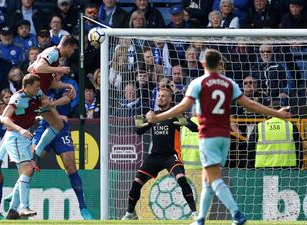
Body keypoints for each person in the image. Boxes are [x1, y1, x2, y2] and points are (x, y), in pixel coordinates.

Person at [146, 49, 291, 225]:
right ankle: (200, 219)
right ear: (220, 64)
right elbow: (251, 104)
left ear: (203, 64)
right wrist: (277, 113)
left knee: (214, 178)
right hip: (224, 137)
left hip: (209, 136)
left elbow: (182, 108)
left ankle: (237, 214)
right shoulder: (229, 83)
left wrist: (157, 117)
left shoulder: (198, 83)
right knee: (207, 179)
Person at [0, 82, 93, 220]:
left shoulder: (61, 80)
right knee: (30, 165)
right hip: (42, 127)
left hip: (60, 129)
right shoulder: (38, 79)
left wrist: (55, 105)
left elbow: (67, 98)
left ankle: (83, 208)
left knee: (70, 167)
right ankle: (17, 200)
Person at [122, 87, 198, 220]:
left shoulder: (175, 114)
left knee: (182, 180)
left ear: (170, 98)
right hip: (155, 157)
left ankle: (195, 214)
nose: (160, 98)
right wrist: (140, 123)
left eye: (163, 96)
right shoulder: (153, 115)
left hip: (171, 156)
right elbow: (138, 131)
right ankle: (129, 214)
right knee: (136, 182)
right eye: (159, 96)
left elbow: (195, 128)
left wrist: (184, 121)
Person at [27, 35, 77, 168]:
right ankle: (35, 153)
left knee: (58, 123)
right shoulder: (53, 52)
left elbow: (45, 79)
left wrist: (67, 85)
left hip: (37, 95)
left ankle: (35, 154)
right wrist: (59, 69)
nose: (72, 53)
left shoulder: (53, 56)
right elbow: (38, 68)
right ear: (68, 46)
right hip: (34, 95)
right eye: (73, 49)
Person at [1, 74, 44, 219]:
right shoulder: (17, 98)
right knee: (28, 169)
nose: (39, 88)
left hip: (25, 137)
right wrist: (20, 129)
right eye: (36, 86)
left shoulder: (36, 95)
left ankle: (12, 210)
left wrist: (35, 118)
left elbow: (31, 111)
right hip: (15, 137)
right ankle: (24, 207)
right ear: (27, 86)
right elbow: (4, 118)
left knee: (25, 174)